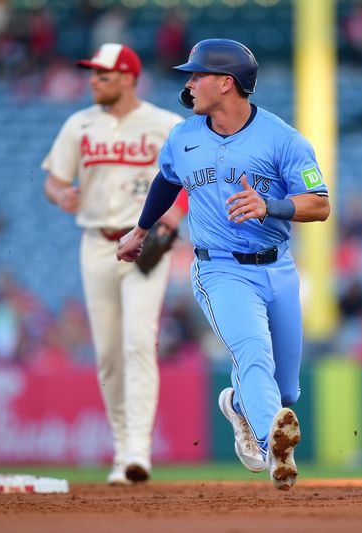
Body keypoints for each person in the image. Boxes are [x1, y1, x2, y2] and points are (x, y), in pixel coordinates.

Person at [116, 38, 330, 491]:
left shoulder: (282, 138)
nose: (189, 82)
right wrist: (140, 230)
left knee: (286, 390)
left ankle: (237, 405)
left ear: (226, 84)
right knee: (253, 351)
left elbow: (319, 205)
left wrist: (271, 206)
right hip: (219, 268)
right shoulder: (183, 136)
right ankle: (278, 453)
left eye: (197, 75)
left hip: (277, 268)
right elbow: (166, 181)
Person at [42, 43, 185, 485]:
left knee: (139, 342)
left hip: (144, 242)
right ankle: (122, 450)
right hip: (97, 242)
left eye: (102, 75)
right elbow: (55, 180)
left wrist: (174, 217)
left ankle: (138, 451)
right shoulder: (79, 124)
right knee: (107, 353)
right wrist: (60, 194)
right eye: (93, 75)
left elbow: (191, 177)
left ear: (127, 77)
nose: (93, 81)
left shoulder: (166, 124)